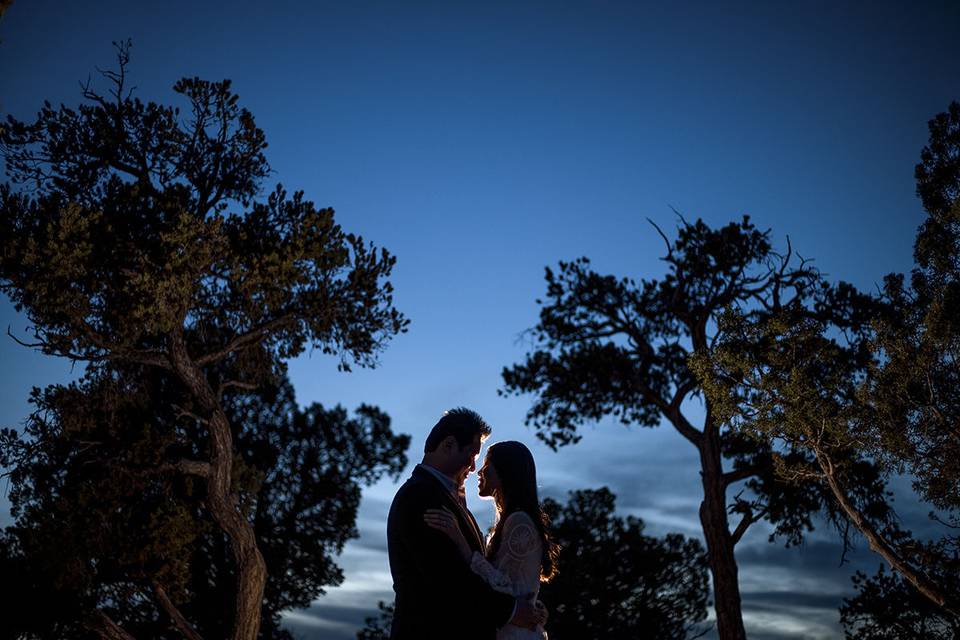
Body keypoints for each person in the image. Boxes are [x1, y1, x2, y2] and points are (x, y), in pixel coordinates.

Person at [387, 409, 547, 640]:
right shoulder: (420, 496)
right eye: (471, 455)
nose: (473, 467)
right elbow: (448, 581)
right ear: (449, 445)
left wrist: (528, 606)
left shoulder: (447, 499)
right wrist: (512, 611)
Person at [424, 440, 560, 640]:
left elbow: (502, 586)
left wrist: (458, 537)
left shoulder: (519, 521)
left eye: (486, 466)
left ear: (505, 472)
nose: (479, 472)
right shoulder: (511, 520)